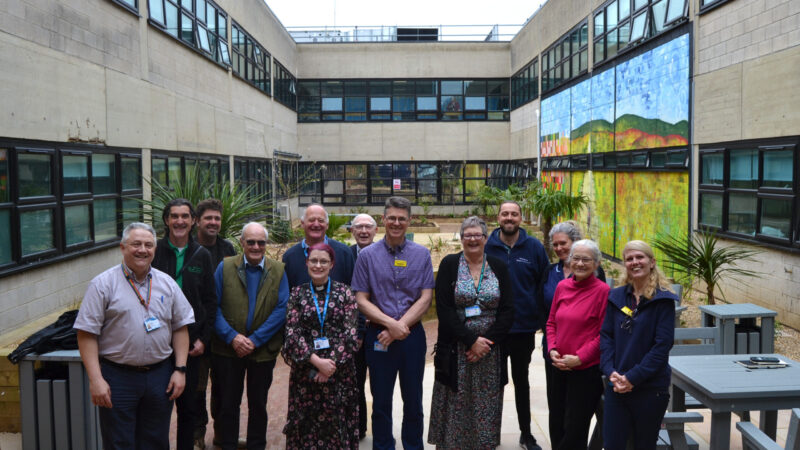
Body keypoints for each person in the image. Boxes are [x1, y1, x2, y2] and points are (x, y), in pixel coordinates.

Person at [74, 222, 195, 450]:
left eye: (148, 245)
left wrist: (180, 370)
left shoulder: (167, 284)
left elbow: (180, 327)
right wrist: (96, 379)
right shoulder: (102, 285)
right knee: (119, 442)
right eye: (136, 244)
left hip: (160, 376)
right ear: (122, 247)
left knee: (156, 441)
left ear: (155, 250)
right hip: (117, 378)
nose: (143, 250)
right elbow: (86, 334)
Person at [351, 196, 435, 450]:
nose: (396, 223)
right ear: (383, 220)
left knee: (413, 399)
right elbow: (361, 299)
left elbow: (426, 297)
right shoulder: (367, 256)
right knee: (381, 401)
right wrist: (390, 325)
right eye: (392, 218)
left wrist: (400, 328)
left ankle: (412, 445)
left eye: (402, 218)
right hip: (378, 337)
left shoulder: (421, 254)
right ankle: (383, 445)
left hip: (412, 337)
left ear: (409, 221)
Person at [427, 216, 514, 449]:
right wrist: (470, 341)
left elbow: (507, 310)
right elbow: (444, 310)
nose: (473, 239)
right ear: (461, 238)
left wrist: (486, 344)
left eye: (478, 235)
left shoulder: (499, 265)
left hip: (489, 352)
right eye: (468, 235)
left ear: (486, 239)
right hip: (457, 349)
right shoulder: (449, 264)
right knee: (456, 400)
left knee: (486, 402)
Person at [211, 222, 289, 450]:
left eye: (261, 242)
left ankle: (257, 445)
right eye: (251, 242)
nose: (256, 246)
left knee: (258, 404)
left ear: (266, 244)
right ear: (242, 243)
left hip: (262, 351)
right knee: (228, 404)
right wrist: (232, 337)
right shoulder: (224, 267)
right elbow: (213, 306)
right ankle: (228, 444)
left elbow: (282, 308)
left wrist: (255, 340)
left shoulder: (278, 269)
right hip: (227, 349)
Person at [151, 199, 217, 450]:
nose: (179, 221)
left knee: (188, 408)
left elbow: (211, 303)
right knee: (157, 407)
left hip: (191, 345)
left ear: (193, 222)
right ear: (167, 220)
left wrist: (204, 339)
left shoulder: (202, 256)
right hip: (157, 343)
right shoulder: (153, 251)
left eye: (185, 217)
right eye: (174, 216)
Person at [282, 243, 360, 448]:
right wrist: (317, 362)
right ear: (306, 262)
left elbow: (350, 334)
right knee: (306, 427)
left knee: (337, 426)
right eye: (314, 260)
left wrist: (330, 365)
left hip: (339, 374)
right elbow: (292, 333)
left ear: (332, 264)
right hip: (306, 373)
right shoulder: (297, 294)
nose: (318, 265)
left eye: (323, 261)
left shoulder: (345, 293)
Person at [484, 200, 549, 450]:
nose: (509, 217)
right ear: (498, 217)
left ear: (520, 217)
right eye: (505, 213)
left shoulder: (533, 247)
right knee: (494, 383)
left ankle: (526, 433)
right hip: (494, 329)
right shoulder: (487, 246)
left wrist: (540, 321)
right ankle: (490, 433)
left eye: (514, 214)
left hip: (523, 328)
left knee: (521, 381)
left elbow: (542, 285)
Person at [600, 240, 676, 450]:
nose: (635, 262)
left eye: (639, 257)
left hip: (650, 388)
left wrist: (633, 377)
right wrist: (610, 371)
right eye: (629, 258)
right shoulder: (616, 297)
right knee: (613, 444)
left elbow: (662, 346)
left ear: (652, 262)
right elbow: (606, 337)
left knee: (643, 445)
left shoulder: (663, 300)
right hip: (617, 385)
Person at [539, 221, 606, 446]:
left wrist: (579, 358)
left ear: (596, 263)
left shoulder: (603, 292)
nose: (579, 263)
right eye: (576, 259)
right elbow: (550, 323)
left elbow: (604, 333)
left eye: (586, 260)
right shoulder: (562, 286)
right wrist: (553, 350)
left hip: (585, 369)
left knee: (576, 426)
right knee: (557, 420)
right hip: (558, 364)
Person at [192, 198, 237, 448]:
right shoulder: (188, 249)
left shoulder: (227, 248)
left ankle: (222, 435)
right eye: (208, 218)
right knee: (196, 389)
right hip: (197, 334)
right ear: (197, 221)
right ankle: (197, 434)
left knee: (223, 388)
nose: (213, 222)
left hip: (222, 333)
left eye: (217, 218)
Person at [349, 212, 378, 439]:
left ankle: (380, 429)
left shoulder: (384, 254)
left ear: (376, 230)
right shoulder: (344, 256)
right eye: (359, 227)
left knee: (379, 383)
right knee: (355, 381)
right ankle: (358, 428)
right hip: (352, 331)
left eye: (368, 226)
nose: (364, 231)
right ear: (352, 231)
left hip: (379, 329)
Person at [282, 203, 355, 289]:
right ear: (302, 224)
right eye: (311, 220)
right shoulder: (290, 257)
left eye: (321, 220)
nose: (316, 224)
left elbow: (353, 289)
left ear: (327, 225)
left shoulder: (344, 253)